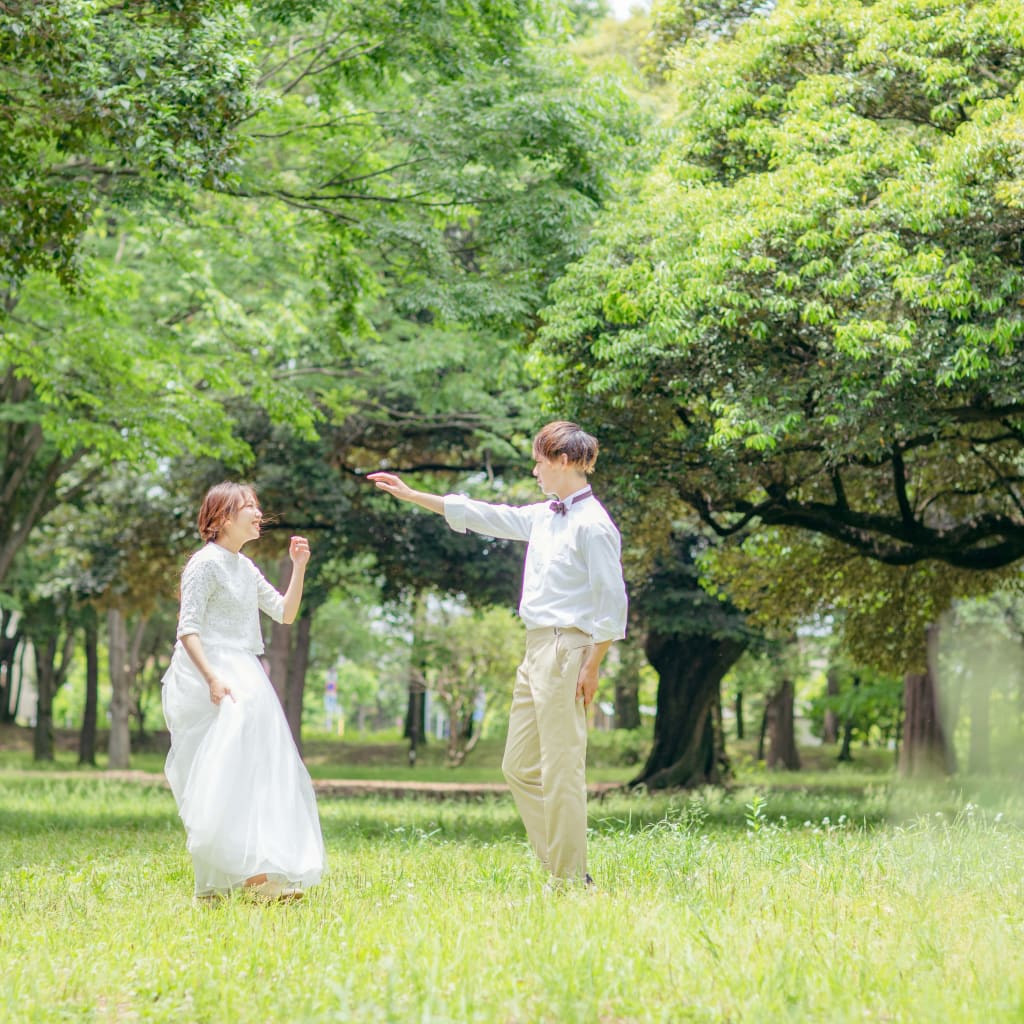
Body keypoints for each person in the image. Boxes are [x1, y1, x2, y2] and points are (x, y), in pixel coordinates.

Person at [369, 421, 627, 885]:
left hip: (568, 647)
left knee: (562, 767)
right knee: (518, 767)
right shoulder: (545, 515)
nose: (535, 471)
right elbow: (486, 514)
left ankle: (570, 880)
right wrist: (413, 496)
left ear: (564, 462)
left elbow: (612, 603)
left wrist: (593, 666)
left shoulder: (594, 526)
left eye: (540, 462)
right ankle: (567, 871)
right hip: (534, 649)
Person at [161, 482, 326, 902]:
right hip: (211, 673)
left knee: (255, 770)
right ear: (222, 519)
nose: (258, 513)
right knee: (225, 772)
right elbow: (188, 630)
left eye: (256, 505)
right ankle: (240, 881)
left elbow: (285, 614)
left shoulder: (245, 567)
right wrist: (213, 679)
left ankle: (248, 879)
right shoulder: (204, 564)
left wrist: (299, 566)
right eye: (248, 507)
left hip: (246, 671)